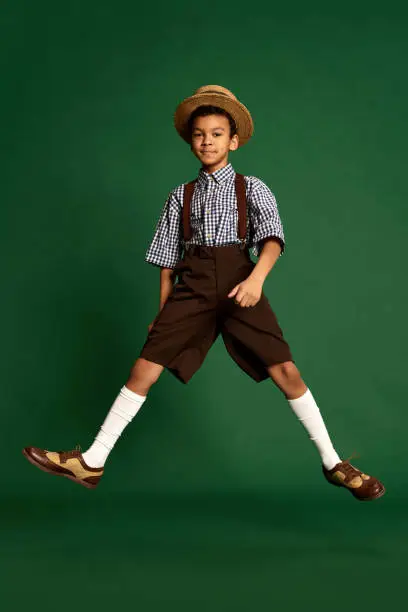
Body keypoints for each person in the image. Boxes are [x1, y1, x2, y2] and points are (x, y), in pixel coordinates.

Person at [22, 85, 385, 501]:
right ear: (190, 141)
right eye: (199, 134)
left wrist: (255, 281)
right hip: (191, 287)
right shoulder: (181, 196)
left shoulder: (253, 189)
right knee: (145, 367)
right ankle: (93, 461)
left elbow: (272, 241)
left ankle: (333, 462)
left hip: (239, 284)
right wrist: (164, 310)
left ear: (233, 140)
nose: (207, 140)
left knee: (285, 371)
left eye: (216, 133)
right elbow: (167, 261)